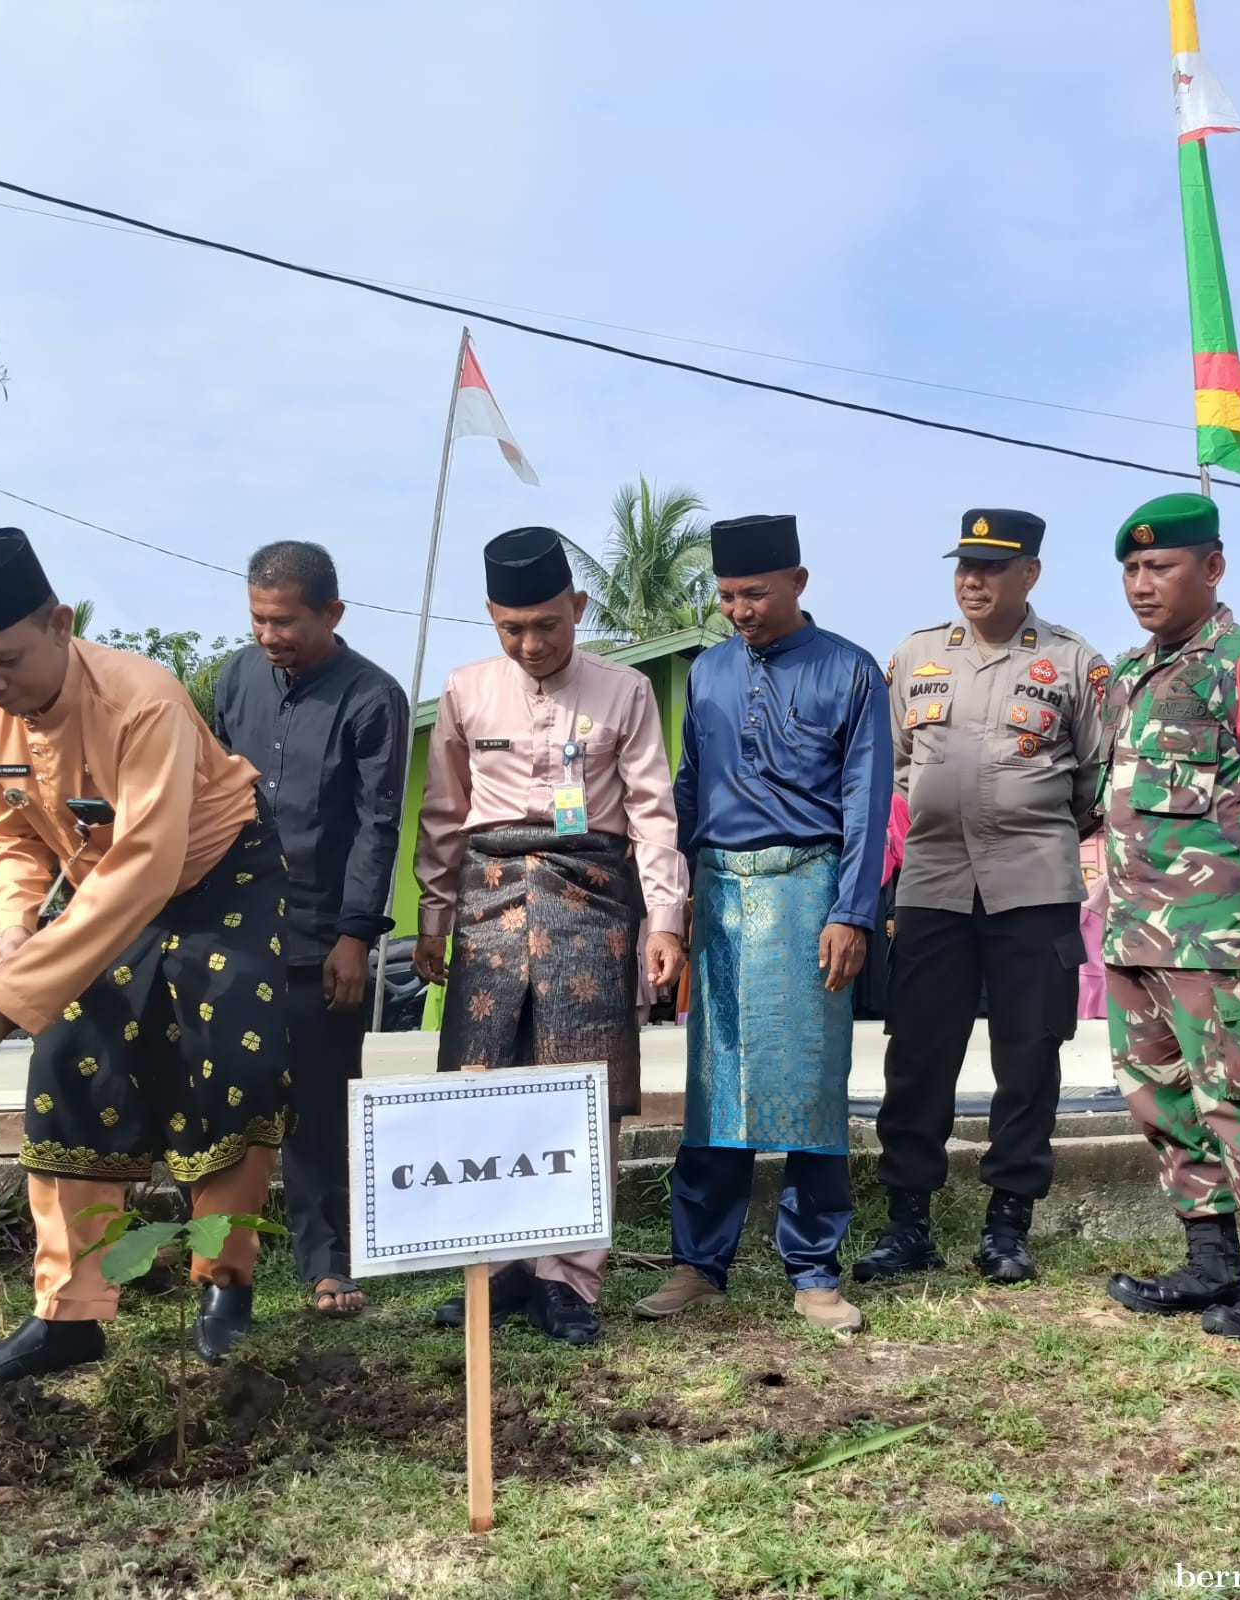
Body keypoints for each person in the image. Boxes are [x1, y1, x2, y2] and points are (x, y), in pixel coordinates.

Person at [0, 527, 290, 1381]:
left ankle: (224, 1282)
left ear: (59, 623)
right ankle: (68, 1315)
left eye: (6, 659)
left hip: (215, 873)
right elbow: (11, 838)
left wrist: (14, 994)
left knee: (230, 1056)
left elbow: (148, 864)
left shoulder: (143, 698)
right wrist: (16, 925)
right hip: (100, 890)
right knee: (67, 1066)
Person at [414, 526, 687, 1346]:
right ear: (492, 618)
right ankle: (493, 1271)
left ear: (576, 607)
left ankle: (569, 1279)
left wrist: (665, 919)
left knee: (582, 1096)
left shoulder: (627, 691)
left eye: (547, 625)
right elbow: (442, 814)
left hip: (592, 898)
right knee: (483, 1085)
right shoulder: (465, 691)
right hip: (490, 900)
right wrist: (434, 916)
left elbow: (651, 812)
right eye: (512, 628)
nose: (531, 644)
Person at [635, 513, 891, 1333]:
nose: (740, 610)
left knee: (811, 1087)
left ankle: (814, 1268)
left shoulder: (849, 671)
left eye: (755, 593)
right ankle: (697, 1263)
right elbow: (682, 794)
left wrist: (852, 911)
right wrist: (668, 910)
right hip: (718, 898)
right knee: (715, 1089)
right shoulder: (707, 673)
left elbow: (867, 799)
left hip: (808, 893)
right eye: (727, 596)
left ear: (799, 583)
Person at [854, 510, 1108, 1286]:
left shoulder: (1073, 663)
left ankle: (1008, 1225)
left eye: (993, 567)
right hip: (932, 884)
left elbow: (1095, 780)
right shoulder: (916, 655)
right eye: (965, 564)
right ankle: (908, 1225)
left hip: (1034, 885)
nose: (973, 579)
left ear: (1029, 574)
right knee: (918, 1053)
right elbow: (895, 764)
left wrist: (1026, 824)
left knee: (1028, 1054)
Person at [1098, 493, 1240, 1349]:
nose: (1142, 584)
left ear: (1214, 567)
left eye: (1160, 566)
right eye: (1130, 569)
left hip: (1224, 938)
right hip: (1133, 933)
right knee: (1162, 1102)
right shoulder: (1128, 675)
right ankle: (1210, 1262)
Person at [214, 541, 409, 1320]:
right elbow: (214, 786)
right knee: (232, 1099)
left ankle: (329, 1259)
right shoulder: (235, 677)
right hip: (236, 928)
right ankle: (226, 1263)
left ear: (332, 612)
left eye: (286, 621)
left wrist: (356, 936)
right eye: (259, 619)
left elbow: (377, 825)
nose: (270, 636)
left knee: (320, 1104)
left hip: (325, 938)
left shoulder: (373, 697)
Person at [853, 792, 908, 1022]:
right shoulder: (856, 802)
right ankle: (860, 1005)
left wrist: (893, 911)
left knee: (878, 949)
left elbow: (902, 853)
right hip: (857, 881)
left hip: (884, 885)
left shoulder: (893, 802)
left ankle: (878, 1004)